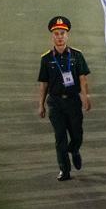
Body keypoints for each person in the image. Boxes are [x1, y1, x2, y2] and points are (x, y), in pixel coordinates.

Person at [36, 16, 92, 181]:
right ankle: (64, 170)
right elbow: (44, 83)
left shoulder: (76, 56)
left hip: (73, 101)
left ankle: (74, 150)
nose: (59, 37)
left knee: (77, 134)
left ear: (67, 36)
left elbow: (83, 78)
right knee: (60, 137)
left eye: (62, 33)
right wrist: (41, 105)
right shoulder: (46, 59)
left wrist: (85, 96)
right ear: (52, 36)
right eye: (56, 34)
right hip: (56, 102)